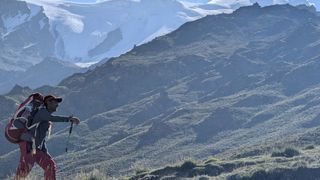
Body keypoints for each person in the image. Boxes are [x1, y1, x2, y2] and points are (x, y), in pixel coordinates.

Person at [15, 94, 80, 180]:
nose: (57, 104)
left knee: (50, 166)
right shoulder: (42, 112)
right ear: (48, 102)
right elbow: (53, 118)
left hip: (36, 148)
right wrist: (69, 119)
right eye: (55, 102)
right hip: (29, 146)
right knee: (23, 171)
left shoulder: (45, 116)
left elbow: (41, 137)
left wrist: (45, 152)